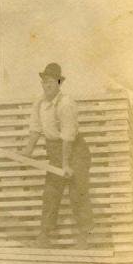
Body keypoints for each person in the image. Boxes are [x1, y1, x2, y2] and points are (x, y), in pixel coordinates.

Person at [22, 63, 93, 249]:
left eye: (52, 81)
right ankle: (44, 238)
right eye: (44, 81)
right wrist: (27, 151)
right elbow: (35, 129)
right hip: (55, 151)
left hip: (75, 152)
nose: (48, 85)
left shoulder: (66, 104)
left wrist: (65, 165)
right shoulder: (39, 103)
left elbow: (68, 138)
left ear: (59, 82)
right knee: (50, 194)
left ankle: (83, 239)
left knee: (78, 193)